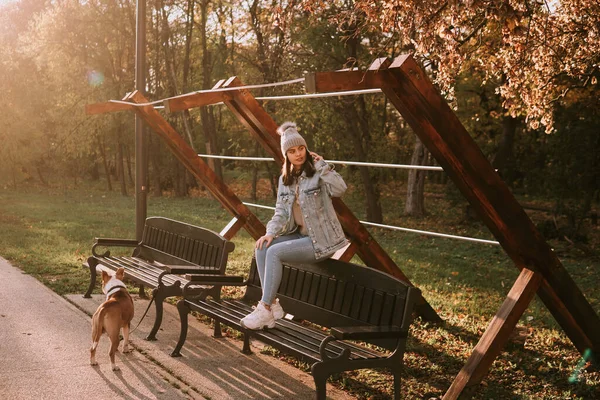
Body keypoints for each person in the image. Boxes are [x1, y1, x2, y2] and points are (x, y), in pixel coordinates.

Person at [240, 121, 348, 330]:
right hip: (300, 236)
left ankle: (265, 308)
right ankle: (272, 306)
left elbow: (340, 189)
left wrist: (323, 167)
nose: (298, 154)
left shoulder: (318, 173)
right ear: (286, 155)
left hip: (322, 241)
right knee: (262, 247)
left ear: (306, 149)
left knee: (274, 253)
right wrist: (270, 233)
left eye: (301, 148)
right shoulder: (285, 179)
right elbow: (280, 211)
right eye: (292, 151)